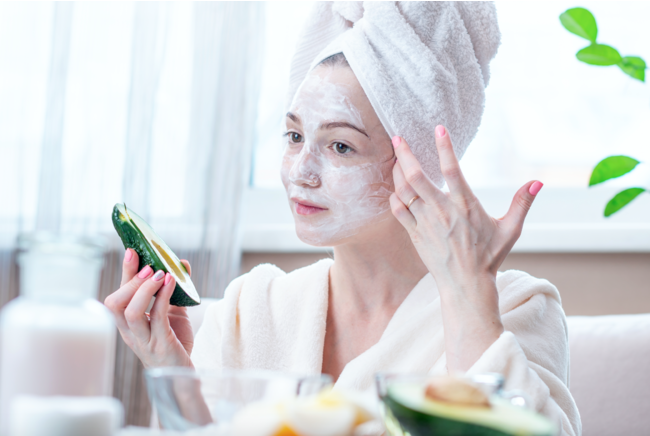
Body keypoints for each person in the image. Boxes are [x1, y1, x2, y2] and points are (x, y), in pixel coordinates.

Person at [105, 2, 581, 435]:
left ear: (416, 165)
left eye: (340, 146)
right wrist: (170, 370)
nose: (301, 172)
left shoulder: (516, 308)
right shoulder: (251, 308)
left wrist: (469, 293)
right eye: (294, 137)